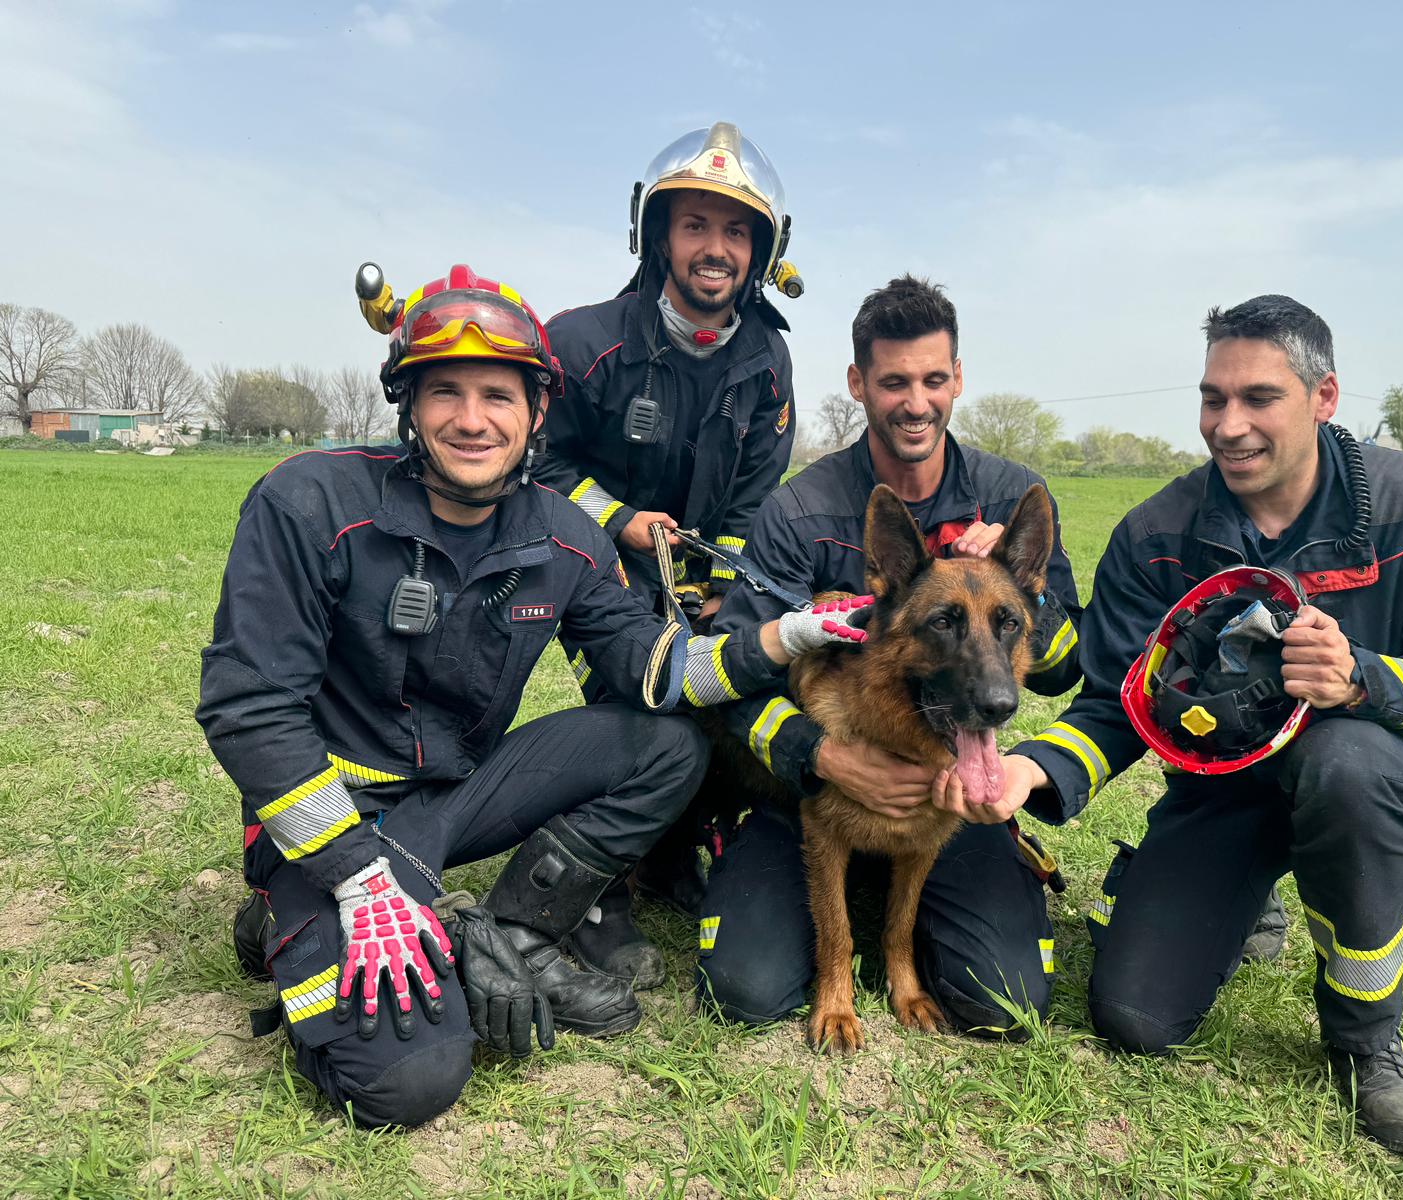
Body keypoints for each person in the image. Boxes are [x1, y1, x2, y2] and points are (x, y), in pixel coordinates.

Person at [197, 265, 867, 1128]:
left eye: (496, 394)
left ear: (537, 410)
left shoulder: (567, 537)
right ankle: (298, 914)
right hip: (330, 821)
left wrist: (783, 638)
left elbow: (657, 669)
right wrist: (358, 879)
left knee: (668, 745)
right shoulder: (310, 501)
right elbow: (247, 710)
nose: (471, 419)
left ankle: (509, 933)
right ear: (408, 402)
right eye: (444, 392)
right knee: (412, 1082)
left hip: (449, 802)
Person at [977, 295, 1403, 1155]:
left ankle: (1367, 1042)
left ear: (1325, 396)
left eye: (1258, 398)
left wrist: (1361, 681)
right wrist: (1032, 771)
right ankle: (1249, 892)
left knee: (1346, 767)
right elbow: (1119, 701)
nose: (1228, 425)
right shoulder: (1156, 533)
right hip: (1220, 789)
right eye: (1212, 398)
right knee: (1134, 1016)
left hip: (1357, 776)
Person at [697, 275, 1085, 1035]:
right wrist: (823, 756)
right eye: (894, 381)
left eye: (935, 379)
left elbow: (1068, 664)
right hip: (816, 785)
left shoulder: (1012, 496)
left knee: (1002, 1001)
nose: (917, 401)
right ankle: (764, 866)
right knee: (742, 990)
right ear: (858, 383)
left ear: (958, 381)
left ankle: (912, 918)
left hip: (952, 791)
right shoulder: (799, 508)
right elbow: (733, 670)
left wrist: (1023, 597)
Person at [531, 121, 800, 975]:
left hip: (698, 575)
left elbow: (754, 493)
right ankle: (592, 885)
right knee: (633, 700)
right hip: (590, 567)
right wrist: (615, 520)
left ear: (761, 251)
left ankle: (675, 849)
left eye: (735, 230)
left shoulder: (767, 361)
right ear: (656, 235)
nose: (714, 248)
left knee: (723, 685)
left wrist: (724, 585)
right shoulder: (581, 342)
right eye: (694, 225)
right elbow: (538, 460)